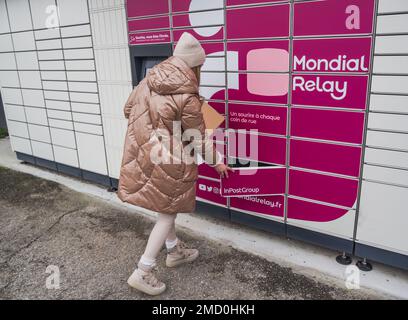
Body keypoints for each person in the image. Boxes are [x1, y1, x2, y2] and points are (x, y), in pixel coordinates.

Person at [118, 32, 232, 295]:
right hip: (171, 160)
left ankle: (174, 252)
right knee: (168, 213)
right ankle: (143, 271)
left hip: (146, 153)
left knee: (165, 207)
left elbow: (127, 110)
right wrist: (218, 163)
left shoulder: (148, 80)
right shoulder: (188, 97)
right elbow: (197, 138)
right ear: (195, 66)